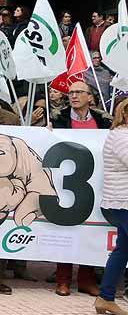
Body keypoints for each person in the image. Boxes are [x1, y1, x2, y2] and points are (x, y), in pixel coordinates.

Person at [51, 82, 110, 296]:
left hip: (93, 182)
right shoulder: (58, 118)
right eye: (71, 92)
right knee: (66, 228)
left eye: (79, 92)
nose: (74, 96)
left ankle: (86, 279)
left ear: (90, 97)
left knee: (90, 231)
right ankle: (63, 280)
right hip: (66, 183)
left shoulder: (103, 120)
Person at [95, 99, 128, 315]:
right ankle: (105, 297)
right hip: (122, 202)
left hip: (121, 202)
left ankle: (105, 298)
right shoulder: (121, 136)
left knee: (122, 251)